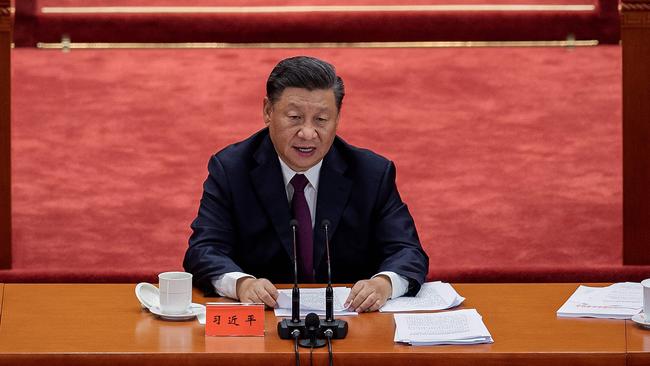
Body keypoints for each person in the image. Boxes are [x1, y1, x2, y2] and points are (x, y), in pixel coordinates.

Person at [183, 56, 428, 312]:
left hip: (351, 322)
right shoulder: (232, 169)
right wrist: (241, 284)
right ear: (268, 111)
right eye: (295, 117)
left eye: (321, 120)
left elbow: (408, 252)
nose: (308, 133)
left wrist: (384, 284)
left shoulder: (371, 173)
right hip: (264, 323)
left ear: (337, 118)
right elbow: (203, 250)